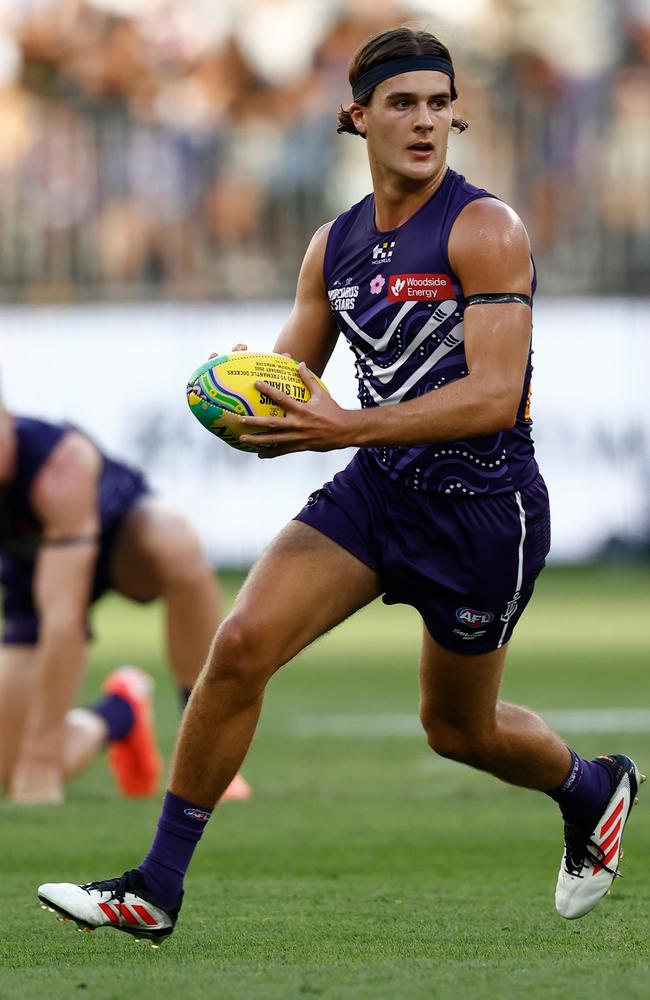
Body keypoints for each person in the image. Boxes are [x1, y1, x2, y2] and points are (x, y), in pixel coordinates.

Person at [38, 27, 641, 943]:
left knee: (459, 732)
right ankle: (155, 888)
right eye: (404, 104)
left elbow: (491, 396)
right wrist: (253, 411)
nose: (426, 122)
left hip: (483, 513)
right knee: (237, 648)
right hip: (378, 491)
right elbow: (293, 383)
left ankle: (591, 786)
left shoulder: (486, 228)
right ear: (356, 118)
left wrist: (341, 425)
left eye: (440, 104)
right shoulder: (335, 246)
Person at [0, 408, 251, 805]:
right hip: (32, 577)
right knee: (10, 773)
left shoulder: (59, 462)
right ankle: (121, 711)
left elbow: (65, 619)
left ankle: (211, 749)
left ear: (6, 420)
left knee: (176, 544)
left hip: (120, 543)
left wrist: (42, 756)